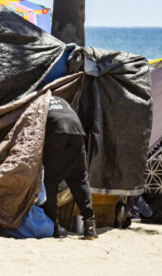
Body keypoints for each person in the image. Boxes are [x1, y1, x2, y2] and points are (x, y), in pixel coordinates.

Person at [42, 95, 97, 239]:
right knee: (79, 179)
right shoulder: (61, 99)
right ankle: (90, 227)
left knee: (50, 181)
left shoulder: (39, 100)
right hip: (76, 129)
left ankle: (54, 227)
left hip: (56, 131)